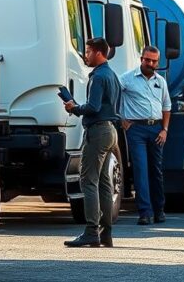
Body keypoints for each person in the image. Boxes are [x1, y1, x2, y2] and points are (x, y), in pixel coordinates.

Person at [64, 38, 121, 248]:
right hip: (111, 131)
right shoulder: (112, 75)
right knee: (105, 183)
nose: (85, 55)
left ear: (98, 53)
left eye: (88, 51)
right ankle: (106, 234)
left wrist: (74, 108)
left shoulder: (98, 76)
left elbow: (94, 107)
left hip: (97, 132)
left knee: (88, 181)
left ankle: (91, 232)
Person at [119, 46, 171, 225]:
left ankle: (159, 210)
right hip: (136, 130)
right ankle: (144, 212)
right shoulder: (127, 78)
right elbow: (113, 97)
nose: (150, 64)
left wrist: (164, 130)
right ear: (141, 59)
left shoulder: (161, 81)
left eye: (154, 61)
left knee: (156, 171)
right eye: (147, 60)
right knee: (140, 170)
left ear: (158, 62)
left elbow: (166, 106)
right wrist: (121, 119)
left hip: (156, 129)